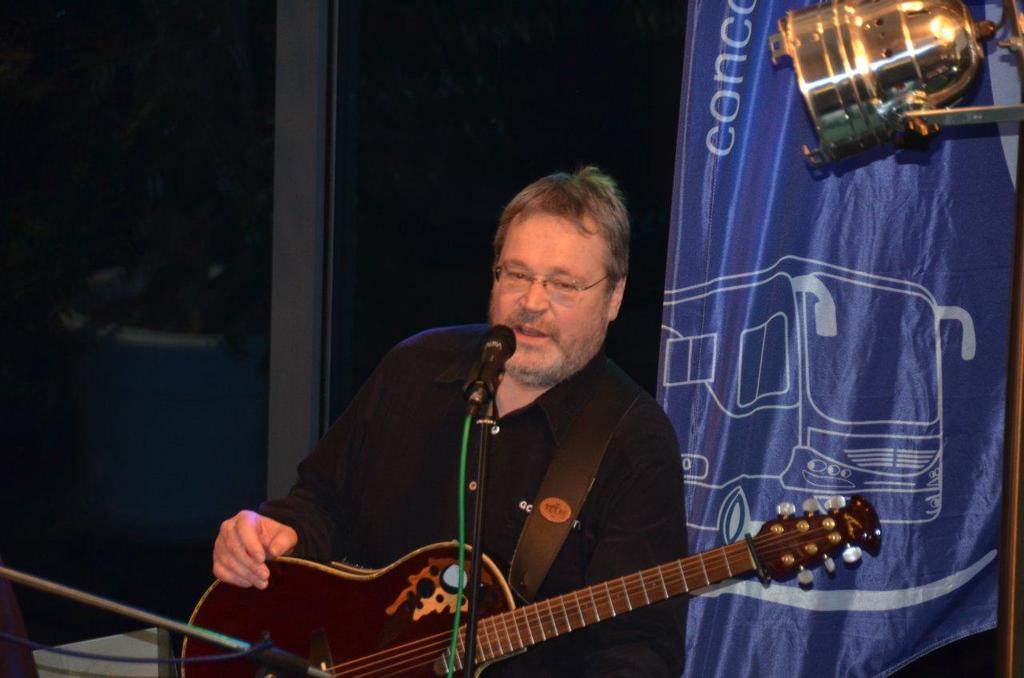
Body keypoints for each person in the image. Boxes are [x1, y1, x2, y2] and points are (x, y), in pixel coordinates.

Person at [212, 167, 688, 676]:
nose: (531, 303)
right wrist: (272, 534)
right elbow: (321, 501)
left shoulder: (633, 439)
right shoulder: (415, 368)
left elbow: (641, 647)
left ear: (614, 298)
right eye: (517, 274)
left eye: (563, 285)